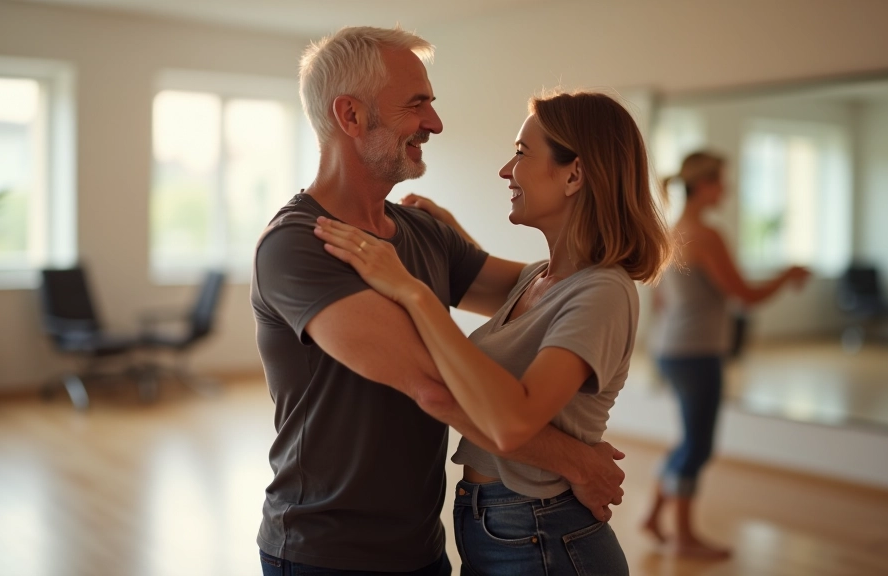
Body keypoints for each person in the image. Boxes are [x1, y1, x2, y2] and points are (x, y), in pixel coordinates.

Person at [251, 27, 628, 575]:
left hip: (423, 545)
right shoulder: (299, 245)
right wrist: (574, 461)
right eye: (417, 104)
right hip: (326, 552)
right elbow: (438, 386)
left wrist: (609, 267)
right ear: (350, 116)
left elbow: (545, 290)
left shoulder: (421, 233)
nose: (435, 123)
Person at [314, 90, 670, 575]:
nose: (506, 170)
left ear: (574, 175)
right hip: (498, 524)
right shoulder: (538, 279)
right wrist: (448, 236)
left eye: (521, 154)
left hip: (544, 532)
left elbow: (513, 420)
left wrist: (413, 291)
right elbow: (500, 310)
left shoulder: (603, 292)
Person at [641, 151, 811, 559]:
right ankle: (683, 537)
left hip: (671, 348)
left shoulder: (672, 230)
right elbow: (745, 295)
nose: (728, 189)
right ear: (704, 186)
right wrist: (787, 275)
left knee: (689, 440)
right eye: (722, 181)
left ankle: (653, 517)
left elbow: (662, 300)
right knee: (698, 446)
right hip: (696, 353)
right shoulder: (705, 235)